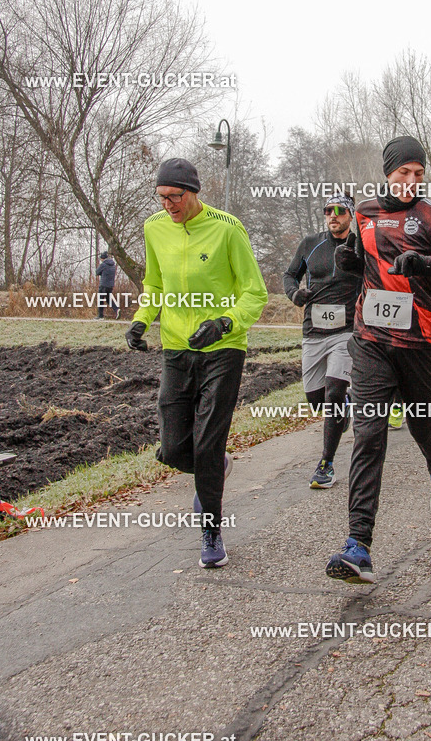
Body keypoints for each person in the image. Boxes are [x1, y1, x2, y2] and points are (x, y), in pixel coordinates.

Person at [325, 136, 431, 584]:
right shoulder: (363, 213)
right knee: (368, 434)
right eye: (404, 173)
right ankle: (358, 545)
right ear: (388, 173)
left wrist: (428, 265)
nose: (411, 181)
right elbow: (364, 264)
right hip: (370, 338)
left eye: (419, 173)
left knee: (420, 423)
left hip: (420, 340)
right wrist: (348, 262)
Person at [124, 158, 267, 568]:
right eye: (162, 197)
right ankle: (214, 468)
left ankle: (211, 531)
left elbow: (254, 292)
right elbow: (154, 284)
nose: (168, 204)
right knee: (172, 448)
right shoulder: (154, 228)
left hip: (223, 349)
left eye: (175, 196)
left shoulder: (228, 228)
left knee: (207, 442)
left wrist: (224, 323)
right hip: (176, 348)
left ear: (193, 192)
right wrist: (141, 320)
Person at [283, 193, 361, 488]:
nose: (333, 215)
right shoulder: (310, 244)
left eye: (340, 210)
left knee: (333, 394)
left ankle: (326, 464)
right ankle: (347, 405)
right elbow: (290, 275)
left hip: (346, 331)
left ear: (350, 215)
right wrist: (294, 294)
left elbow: (375, 276)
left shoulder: (359, 245)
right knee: (316, 400)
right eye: (328, 210)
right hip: (313, 332)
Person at [94, 250, 119, 320]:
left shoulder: (103, 264)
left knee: (100, 300)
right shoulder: (113, 265)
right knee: (108, 299)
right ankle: (117, 309)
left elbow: (97, 272)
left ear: (102, 258)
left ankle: (100, 316)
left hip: (103, 285)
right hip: (110, 285)